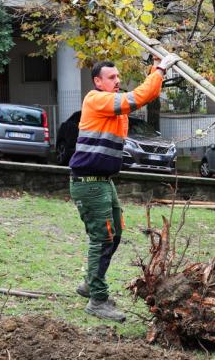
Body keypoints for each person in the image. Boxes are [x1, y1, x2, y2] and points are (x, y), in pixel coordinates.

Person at [70, 54, 179, 321]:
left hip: (104, 183)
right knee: (102, 239)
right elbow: (137, 98)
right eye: (112, 77)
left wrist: (155, 68)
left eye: (118, 77)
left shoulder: (112, 106)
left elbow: (137, 100)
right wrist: (161, 70)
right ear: (98, 81)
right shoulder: (96, 99)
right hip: (89, 184)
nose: (117, 81)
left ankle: (89, 283)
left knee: (115, 234)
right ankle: (97, 299)